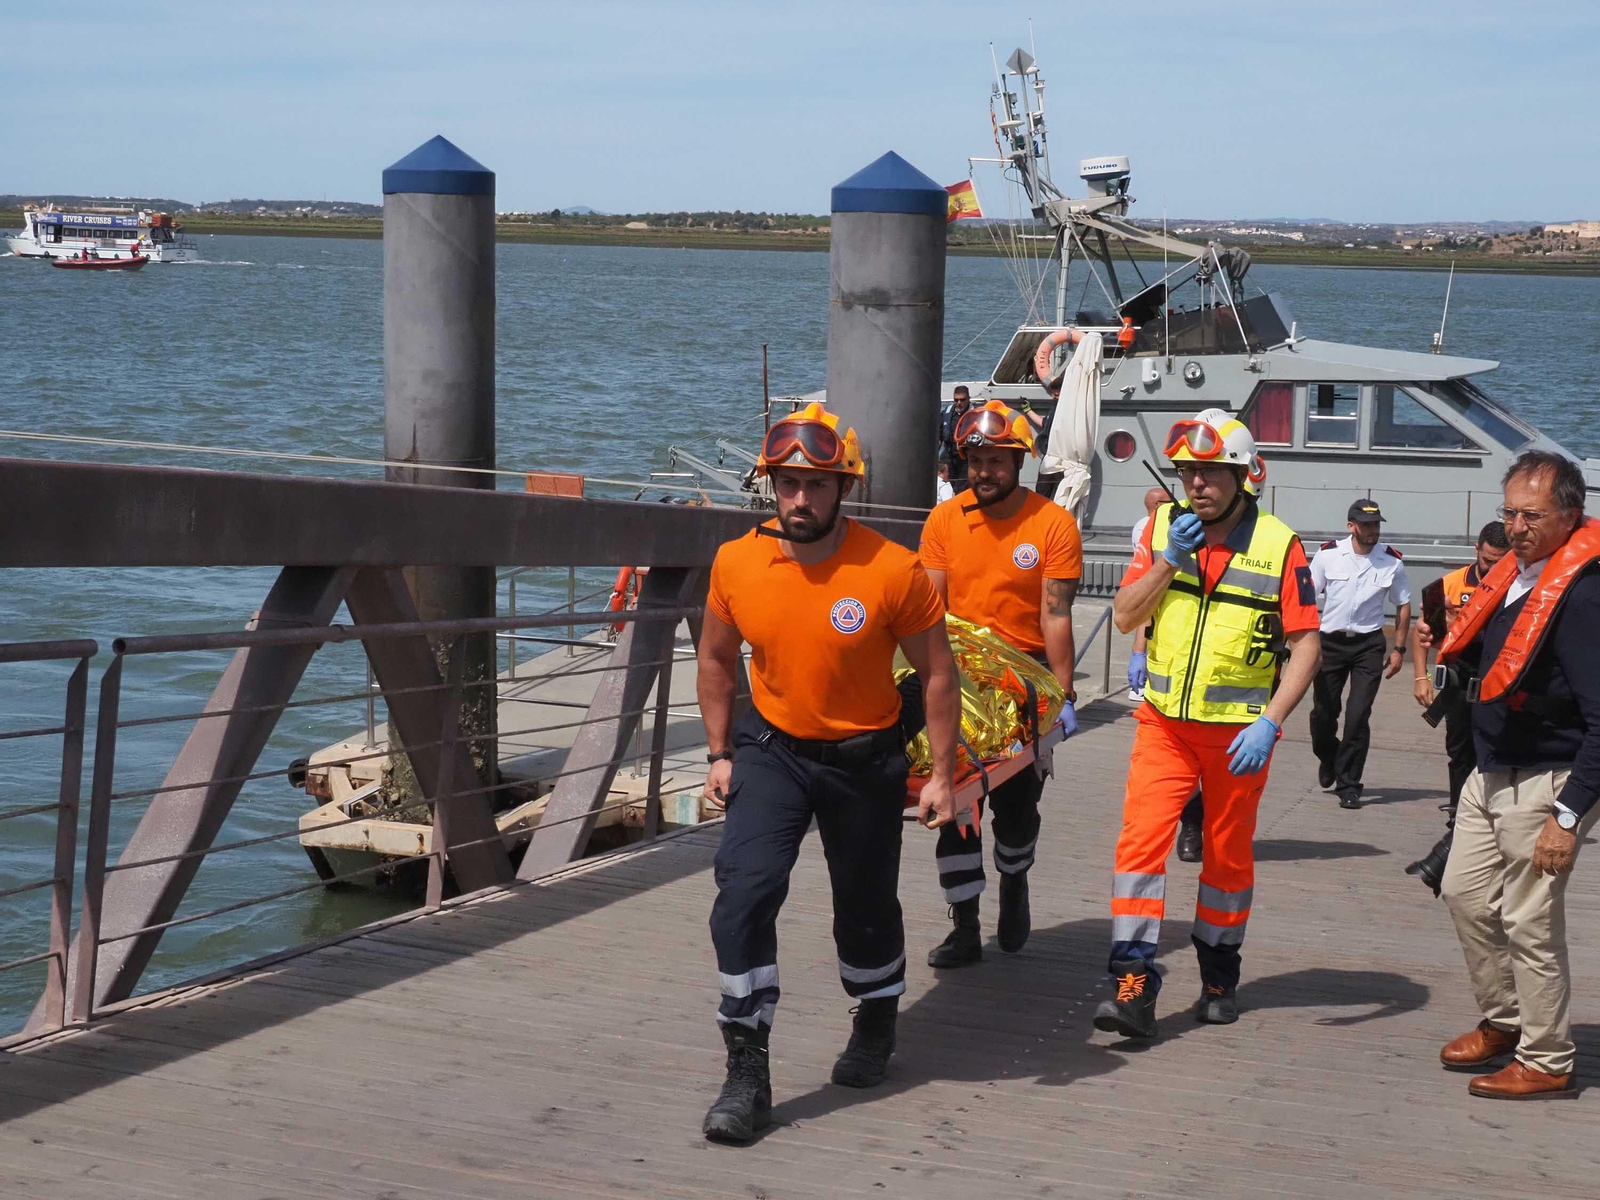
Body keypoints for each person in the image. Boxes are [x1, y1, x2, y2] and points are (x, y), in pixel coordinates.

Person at [697, 402, 962, 1142]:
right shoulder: (736, 561)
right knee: (741, 894)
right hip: (771, 750)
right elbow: (717, 659)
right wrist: (720, 754)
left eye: (816, 485)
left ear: (844, 487)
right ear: (770, 486)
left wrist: (939, 775)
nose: (800, 500)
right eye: (786, 484)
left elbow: (938, 675)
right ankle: (746, 1069)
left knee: (865, 907)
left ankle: (876, 1016)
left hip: (864, 759)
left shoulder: (891, 569)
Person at [1094, 410, 1320, 1037]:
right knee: (1139, 849)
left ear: (1243, 475)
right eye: (1188, 472)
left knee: (1225, 858)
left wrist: (1272, 722)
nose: (1197, 484)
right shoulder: (1165, 529)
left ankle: (1219, 976)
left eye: (1211, 472)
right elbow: (1122, 615)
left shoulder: (1280, 544)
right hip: (1163, 724)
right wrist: (1168, 560)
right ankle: (1132, 979)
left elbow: (1306, 645)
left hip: (1237, 734)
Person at [1421, 451, 1600, 1100]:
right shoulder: (1519, 577)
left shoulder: (1582, 595)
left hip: (1547, 780)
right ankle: (1505, 1021)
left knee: (1529, 920)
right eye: (1509, 514)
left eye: (1533, 516)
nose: (1517, 528)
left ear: (1571, 516)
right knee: (1464, 893)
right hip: (1489, 772)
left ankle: (1548, 1058)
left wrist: (1570, 816)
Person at [917, 400, 1081, 967]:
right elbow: (928, 607)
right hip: (954, 678)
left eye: (996, 461)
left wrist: (1060, 693)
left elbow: (1055, 614)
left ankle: (1015, 880)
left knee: (1016, 809)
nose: (984, 472)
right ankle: (964, 926)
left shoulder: (1052, 525)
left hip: (1022, 680)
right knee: (955, 808)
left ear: (1020, 461)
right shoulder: (943, 521)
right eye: (975, 460)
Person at [1404, 521, 1510, 895]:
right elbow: (1423, 634)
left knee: (1490, 755)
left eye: (1500, 561)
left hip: (1498, 682)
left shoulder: (1515, 584)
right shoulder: (1446, 587)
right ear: (1476, 551)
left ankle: (1475, 827)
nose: (1492, 568)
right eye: (1486, 560)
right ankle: (1457, 819)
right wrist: (1421, 676)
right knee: (1460, 752)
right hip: (1459, 680)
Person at [1307, 500, 1412, 809]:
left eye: (1376, 525)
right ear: (1351, 525)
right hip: (1330, 643)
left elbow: (1403, 605)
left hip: (1368, 645)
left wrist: (1399, 649)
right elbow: (1307, 598)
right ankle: (1329, 755)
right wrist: (1305, 642)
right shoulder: (1328, 556)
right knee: (1323, 715)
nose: (1372, 531)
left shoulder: (1391, 562)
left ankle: (1349, 784)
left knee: (1357, 716)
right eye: (1366, 525)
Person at [940, 387, 973, 492]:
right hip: (949, 456)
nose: (959, 403)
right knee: (945, 487)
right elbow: (939, 433)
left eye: (962, 400)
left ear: (969, 399)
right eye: (956, 400)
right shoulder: (947, 413)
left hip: (966, 458)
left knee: (961, 489)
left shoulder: (975, 415)